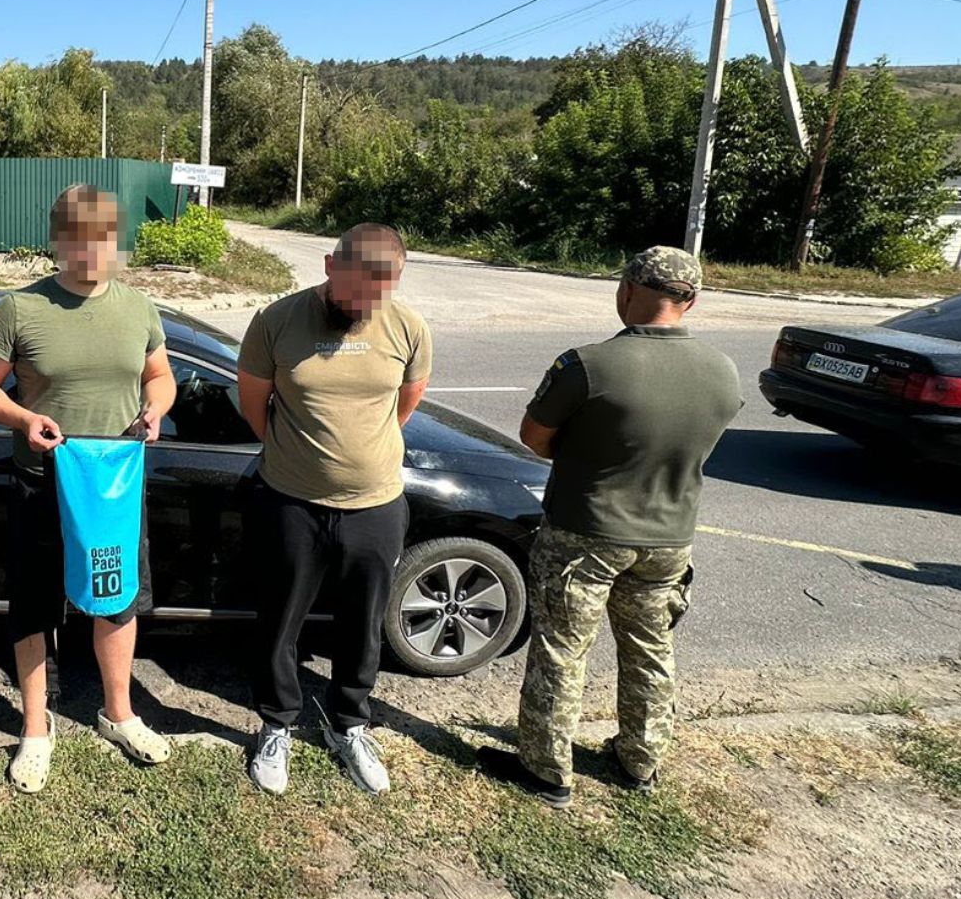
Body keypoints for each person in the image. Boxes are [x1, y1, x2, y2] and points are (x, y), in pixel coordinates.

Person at [475, 245, 741, 808]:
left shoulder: (588, 365)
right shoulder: (723, 369)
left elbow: (534, 437)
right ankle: (639, 761)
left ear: (627, 290)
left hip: (584, 532)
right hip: (669, 539)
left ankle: (546, 770)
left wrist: (589, 454)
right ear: (690, 301)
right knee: (650, 648)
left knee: (561, 650)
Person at [0, 184, 177, 793]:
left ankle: (119, 714)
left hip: (114, 488)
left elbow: (160, 376)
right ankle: (36, 728)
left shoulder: (139, 307)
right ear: (59, 239)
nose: (93, 249)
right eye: (80, 237)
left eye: (104, 237)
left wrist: (156, 409)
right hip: (42, 484)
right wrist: (22, 419)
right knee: (34, 605)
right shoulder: (20, 308)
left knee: (116, 599)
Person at [234, 223, 431, 796]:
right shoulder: (276, 321)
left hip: (376, 505)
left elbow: (405, 404)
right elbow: (255, 406)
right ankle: (276, 724)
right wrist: (304, 458)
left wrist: (360, 456)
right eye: (356, 289)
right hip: (290, 501)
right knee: (279, 621)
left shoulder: (408, 327)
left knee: (363, 624)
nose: (365, 302)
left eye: (380, 291)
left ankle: (349, 724)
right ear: (329, 265)